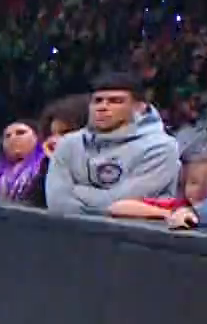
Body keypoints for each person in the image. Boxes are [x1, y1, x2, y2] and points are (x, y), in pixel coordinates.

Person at [44, 72, 182, 217]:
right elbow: (56, 202)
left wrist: (76, 191)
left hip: (134, 230)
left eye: (115, 101)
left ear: (139, 108)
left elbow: (121, 203)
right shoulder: (69, 143)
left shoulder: (161, 148)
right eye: (97, 101)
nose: (103, 107)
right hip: (69, 229)